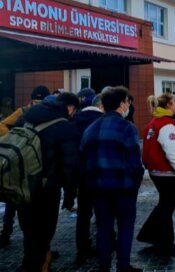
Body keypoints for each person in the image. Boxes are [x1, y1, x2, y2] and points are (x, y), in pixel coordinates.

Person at [80, 86, 143, 272]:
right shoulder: (126, 127)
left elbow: (83, 159)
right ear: (122, 103)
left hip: (98, 189)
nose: (128, 106)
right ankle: (123, 266)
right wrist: (135, 183)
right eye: (127, 103)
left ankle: (104, 267)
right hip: (123, 189)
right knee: (125, 228)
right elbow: (135, 162)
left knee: (103, 229)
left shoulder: (91, 128)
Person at [16, 92, 80, 272]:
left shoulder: (25, 118)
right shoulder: (66, 127)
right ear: (70, 107)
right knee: (44, 234)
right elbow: (70, 167)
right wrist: (70, 196)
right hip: (47, 190)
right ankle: (36, 265)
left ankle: (30, 263)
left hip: (22, 185)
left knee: (29, 233)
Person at [137, 93, 175, 256]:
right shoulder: (167, 125)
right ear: (168, 105)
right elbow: (172, 152)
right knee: (167, 207)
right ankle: (164, 244)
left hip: (156, 171)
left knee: (164, 205)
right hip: (166, 173)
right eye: (174, 102)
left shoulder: (154, 122)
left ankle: (156, 238)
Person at [0, 85, 50, 249]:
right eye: (35, 101)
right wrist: (13, 139)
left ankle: (31, 243)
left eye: (40, 101)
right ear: (31, 100)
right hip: (17, 163)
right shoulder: (22, 112)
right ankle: (6, 233)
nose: (37, 104)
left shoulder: (47, 116)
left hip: (34, 165)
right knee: (12, 200)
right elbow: (2, 125)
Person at [73, 94, 104, 265]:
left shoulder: (76, 118)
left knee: (83, 214)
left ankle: (82, 249)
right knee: (102, 212)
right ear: (101, 106)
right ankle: (104, 245)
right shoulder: (101, 121)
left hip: (81, 174)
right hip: (98, 172)